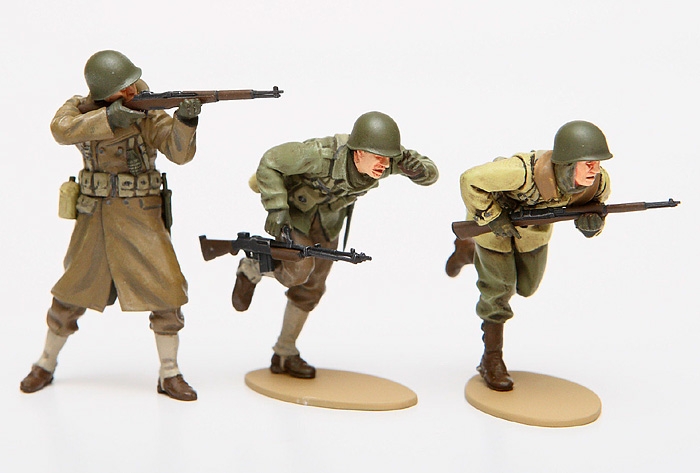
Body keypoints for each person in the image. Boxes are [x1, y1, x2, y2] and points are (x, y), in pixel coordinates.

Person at [19, 50, 201, 401]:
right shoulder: (80, 109)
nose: (132, 91)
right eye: (123, 88)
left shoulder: (147, 112)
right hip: (95, 217)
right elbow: (61, 129)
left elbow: (179, 154)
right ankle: (45, 362)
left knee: (167, 292)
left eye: (132, 84)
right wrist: (110, 118)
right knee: (71, 292)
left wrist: (186, 121)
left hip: (141, 215)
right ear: (103, 93)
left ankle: (170, 372)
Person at [233, 111, 439, 378]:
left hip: (329, 221)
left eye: (388, 158)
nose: (385, 164)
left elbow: (431, 173)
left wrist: (418, 171)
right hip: (297, 214)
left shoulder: (384, 158)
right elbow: (270, 162)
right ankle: (252, 267)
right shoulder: (320, 155)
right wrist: (276, 208)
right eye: (378, 158)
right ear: (358, 153)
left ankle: (284, 353)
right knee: (299, 270)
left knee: (313, 287)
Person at [446, 120, 612, 391]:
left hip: (534, 233)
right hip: (493, 231)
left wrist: (591, 226)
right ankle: (491, 360)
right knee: (499, 290)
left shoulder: (597, 184)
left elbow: (594, 211)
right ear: (567, 163)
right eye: (588, 163)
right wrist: (493, 217)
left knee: (527, 286)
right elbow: (470, 180)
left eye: (598, 163)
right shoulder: (521, 173)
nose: (595, 169)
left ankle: (469, 250)